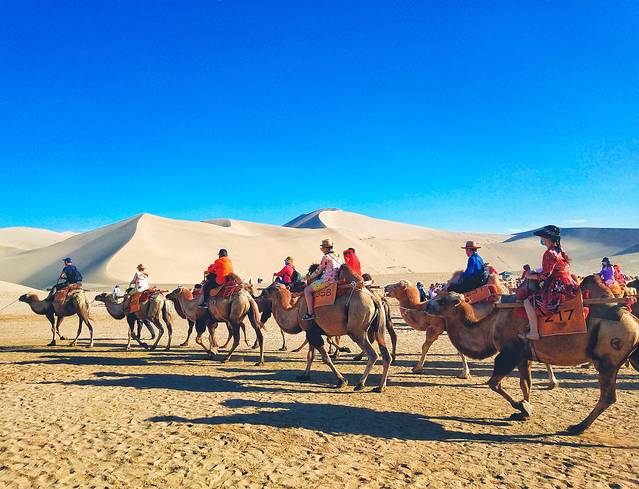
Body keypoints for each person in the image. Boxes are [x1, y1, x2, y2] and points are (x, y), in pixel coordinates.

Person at [520, 225, 579, 340]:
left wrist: (530, 276)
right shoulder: (560, 250)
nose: (541, 240)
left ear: (547, 238)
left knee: (528, 301)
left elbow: (545, 275)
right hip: (568, 285)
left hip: (558, 287)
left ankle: (533, 332)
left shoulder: (549, 253)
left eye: (542, 237)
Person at [302, 239, 343, 320]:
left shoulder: (326, 257)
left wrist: (309, 277)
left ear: (326, 248)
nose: (322, 250)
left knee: (307, 290)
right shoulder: (338, 256)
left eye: (323, 248)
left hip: (327, 280)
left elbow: (318, 271)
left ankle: (310, 313)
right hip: (337, 279)